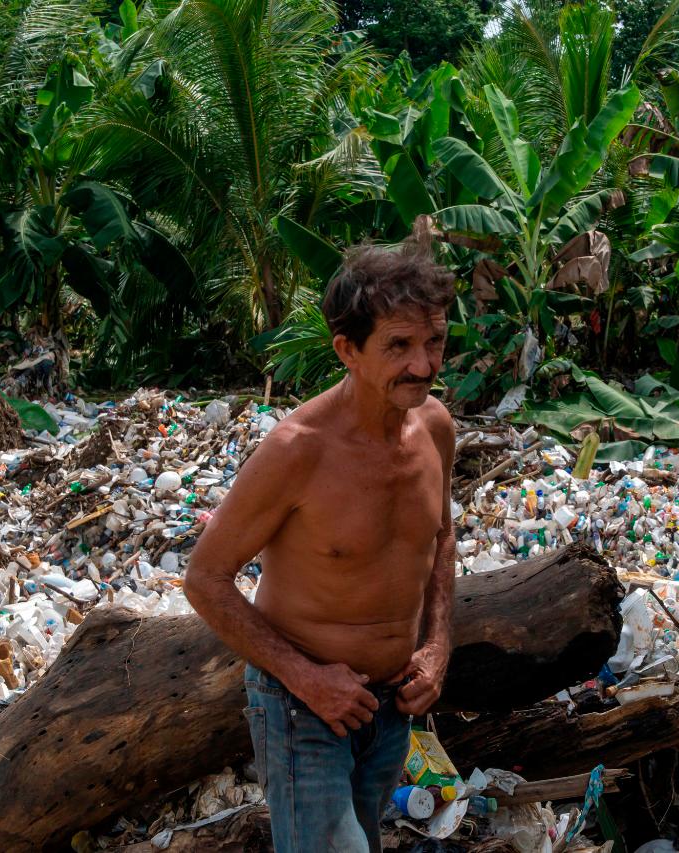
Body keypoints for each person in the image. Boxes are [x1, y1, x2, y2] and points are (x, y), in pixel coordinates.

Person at [183, 230, 457, 853]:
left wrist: (438, 643)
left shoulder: (435, 428)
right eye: (399, 346)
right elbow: (204, 579)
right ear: (348, 351)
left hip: (390, 705)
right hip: (301, 706)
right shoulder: (296, 451)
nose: (424, 365)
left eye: (434, 341)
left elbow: (441, 536)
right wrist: (305, 677)